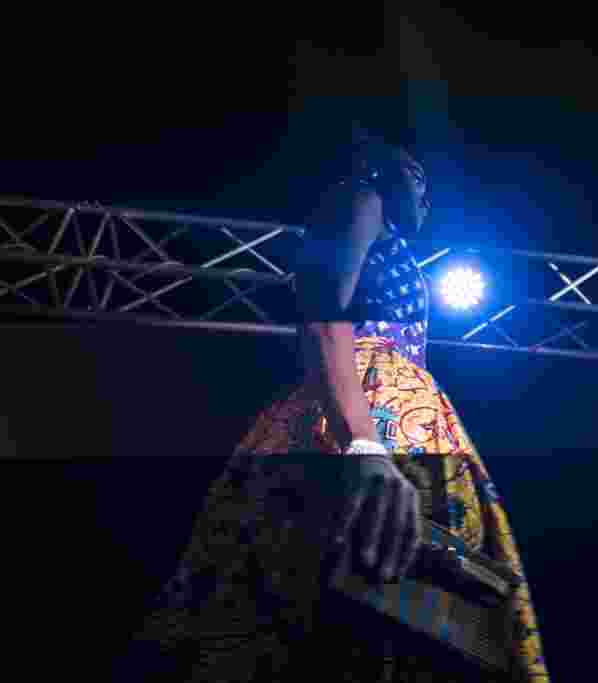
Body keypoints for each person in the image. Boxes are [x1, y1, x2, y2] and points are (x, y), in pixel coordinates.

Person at [120, 132, 550, 682]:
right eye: (415, 176)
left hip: (400, 410)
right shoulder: (358, 199)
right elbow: (323, 308)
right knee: (337, 590)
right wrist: (363, 442)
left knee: (393, 602)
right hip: (365, 407)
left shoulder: (389, 236)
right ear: (382, 164)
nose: (425, 195)